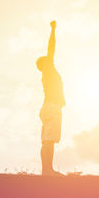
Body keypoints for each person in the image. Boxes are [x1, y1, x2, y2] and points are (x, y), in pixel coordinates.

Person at [36, 20, 66, 176]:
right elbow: (51, 46)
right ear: (45, 63)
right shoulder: (49, 69)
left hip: (48, 107)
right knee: (49, 140)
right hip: (52, 107)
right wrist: (53, 29)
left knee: (47, 140)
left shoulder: (47, 74)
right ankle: (48, 170)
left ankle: (46, 169)